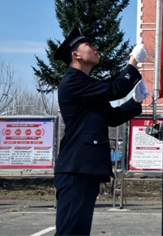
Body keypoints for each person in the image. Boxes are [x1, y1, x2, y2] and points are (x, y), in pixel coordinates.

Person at [53, 27, 151, 236]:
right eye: (88, 45)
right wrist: (133, 61)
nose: (94, 48)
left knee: (78, 231)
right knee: (70, 231)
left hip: (85, 169)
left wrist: (135, 101)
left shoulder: (86, 85)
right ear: (76, 55)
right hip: (75, 169)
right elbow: (115, 89)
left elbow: (112, 117)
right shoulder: (72, 82)